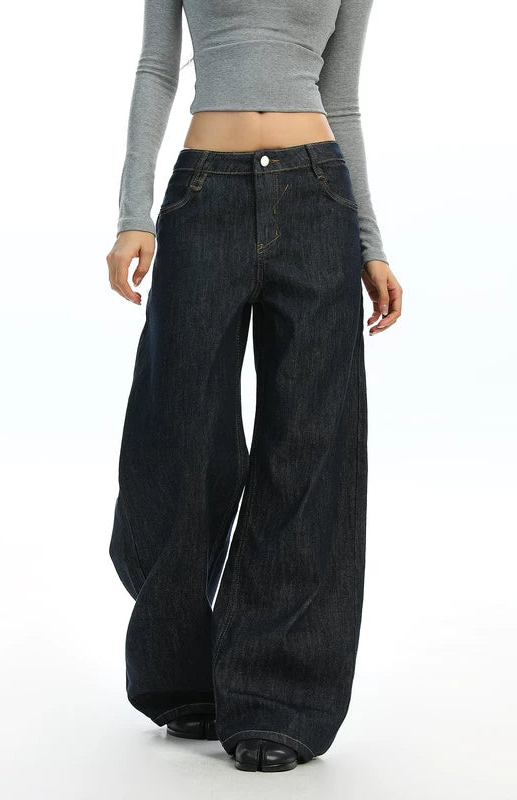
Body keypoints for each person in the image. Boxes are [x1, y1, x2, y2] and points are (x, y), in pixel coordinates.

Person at [106, 0, 403, 773]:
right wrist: (133, 214)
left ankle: (279, 701)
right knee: (178, 436)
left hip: (318, 195)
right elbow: (157, 69)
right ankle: (181, 668)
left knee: (309, 445)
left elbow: (341, 97)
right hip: (204, 193)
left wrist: (369, 244)